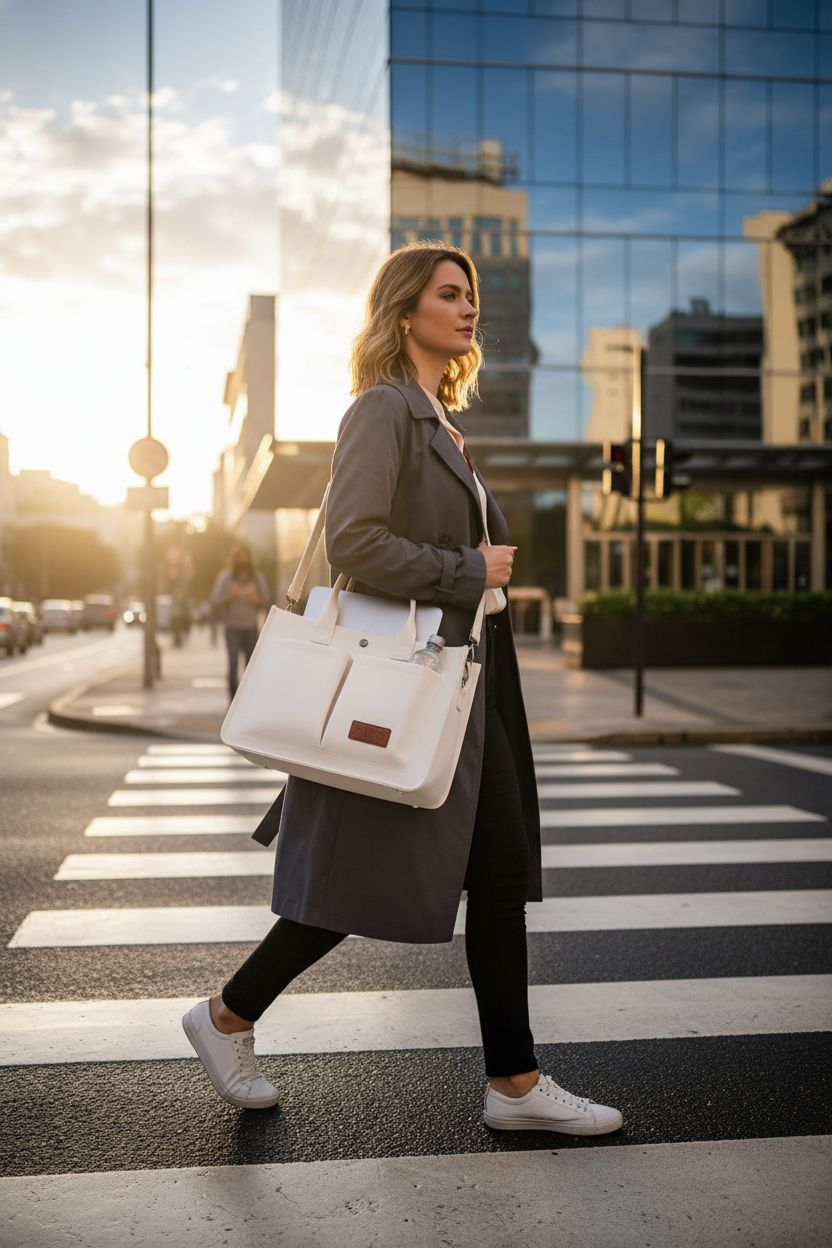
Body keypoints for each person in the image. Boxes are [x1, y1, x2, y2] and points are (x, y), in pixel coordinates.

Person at [183, 242, 623, 1137]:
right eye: (450, 295)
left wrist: (474, 578)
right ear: (405, 311)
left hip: (467, 683)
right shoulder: (382, 410)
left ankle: (514, 1084)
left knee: (496, 875)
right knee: (361, 879)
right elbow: (353, 543)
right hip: (407, 687)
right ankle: (226, 1015)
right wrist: (470, 566)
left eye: (472, 296)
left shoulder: (439, 419)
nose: (469, 310)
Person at [210, 545, 270, 699]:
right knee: (232, 665)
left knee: (251, 667)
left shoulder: (257, 578)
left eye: (245, 558)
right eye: (239, 558)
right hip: (232, 629)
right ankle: (233, 701)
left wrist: (256, 599)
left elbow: (266, 601)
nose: (242, 561)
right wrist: (229, 597)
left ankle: (248, 699)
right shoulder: (225, 578)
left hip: (251, 628)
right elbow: (215, 602)